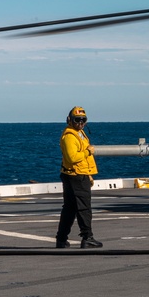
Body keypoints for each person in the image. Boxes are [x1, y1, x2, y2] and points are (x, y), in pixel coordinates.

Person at [56, 106, 102, 249]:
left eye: (83, 120)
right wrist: (89, 152)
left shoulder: (78, 133)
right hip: (76, 176)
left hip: (76, 174)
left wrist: (88, 174)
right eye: (77, 120)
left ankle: (62, 239)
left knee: (69, 209)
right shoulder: (70, 136)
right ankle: (87, 237)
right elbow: (73, 157)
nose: (80, 123)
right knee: (84, 208)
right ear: (70, 120)